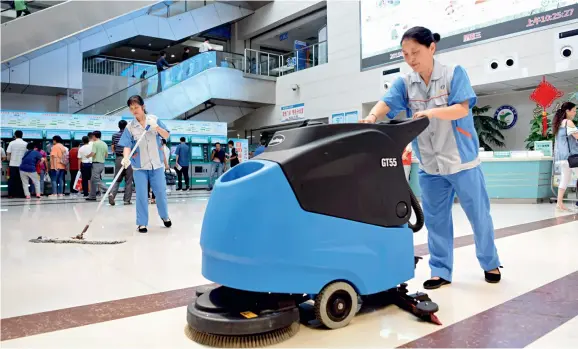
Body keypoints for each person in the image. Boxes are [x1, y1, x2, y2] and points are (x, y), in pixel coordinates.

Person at [360, 26, 501, 289]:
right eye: (405, 54)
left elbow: (461, 109)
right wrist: (371, 117)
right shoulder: (406, 82)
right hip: (430, 165)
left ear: (431, 48)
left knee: (479, 216)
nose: (411, 59)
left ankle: (490, 262)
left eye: (415, 52)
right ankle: (441, 270)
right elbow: (387, 102)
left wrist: (432, 113)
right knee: (436, 221)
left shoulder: (453, 74)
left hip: (462, 162)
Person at [118, 95, 172, 233]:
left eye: (136, 107)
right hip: (139, 167)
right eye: (131, 108)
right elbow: (127, 146)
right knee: (142, 194)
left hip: (156, 165)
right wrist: (125, 158)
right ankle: (142, 223)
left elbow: (166, 135)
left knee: (160, 192)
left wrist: (157, 129)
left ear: (143, 107)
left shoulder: (154, 120)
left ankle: (164, 216)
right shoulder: (130, 127)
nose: (134, 110)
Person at [552, 101, 578, 211]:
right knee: (566, 179)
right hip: (571, 157)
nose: (575, 113)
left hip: (562, 158)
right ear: (567, 111)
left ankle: (559, 203)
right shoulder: (568, 122)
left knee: (565, 179)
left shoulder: (559, 123)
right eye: (574, 111)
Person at [109, 120, 134, 206]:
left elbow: (113, 147)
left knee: (116, 179)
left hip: (119, 158)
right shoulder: (130, 135)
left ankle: (112, 194)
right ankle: (127, 200)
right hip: (129, 158)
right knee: (128, 180)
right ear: (126, 126)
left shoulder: (114, 135)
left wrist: (116, 152)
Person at [86, 131, 109, 201]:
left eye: (92, 136)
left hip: (96, 164)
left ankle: (109, 190)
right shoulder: (105, 144)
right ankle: (92, 196)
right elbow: (106, 155)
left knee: (96, 180)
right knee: (93, 180)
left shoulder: (95, 143)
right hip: (102, 164)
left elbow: (93, 153)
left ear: (94, 136)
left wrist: (87, 156)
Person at [6, 130, 27, 198]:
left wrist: (9, 160)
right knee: (22, 180)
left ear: (15, 135)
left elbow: (8, 153)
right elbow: (27, 154)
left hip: (13, 164)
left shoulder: (12, 143)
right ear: (22, 135)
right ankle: (21, 194)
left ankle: (11, 194)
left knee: (12, 180)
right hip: (22, 165)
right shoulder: (25, 143)